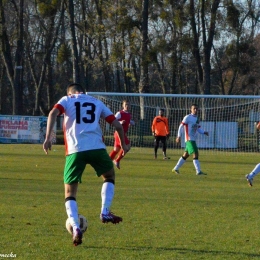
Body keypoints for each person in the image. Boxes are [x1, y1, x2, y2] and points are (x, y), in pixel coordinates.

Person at [43, 83, 128, 246]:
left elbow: (53, 112)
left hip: (75, 150)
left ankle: (75, 227)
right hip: (97, 147)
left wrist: (48, 137)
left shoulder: (67, 99)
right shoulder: (96, 101)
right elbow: (117, 124)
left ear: (70, 92)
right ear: (83, 91)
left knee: (70, 193)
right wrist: (123, 145)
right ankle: (105, 211)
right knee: (109, 176)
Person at [172, 104, 208, 175]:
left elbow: (198, 128)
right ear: (190, 109)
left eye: (196, 109)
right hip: (189, 139)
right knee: (195, 153)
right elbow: (181, 126)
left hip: (193, 139)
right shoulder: (188, 117)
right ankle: (198, 171)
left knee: (185, 155)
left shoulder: (197, 118)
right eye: (194, 108)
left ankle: (175, 169)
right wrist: (178, 136)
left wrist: (204, 132)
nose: (195, 110)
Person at [109, 100, 135, 169]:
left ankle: (107, 163)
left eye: (128, 105)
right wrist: (120, 122)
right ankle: (117, 160)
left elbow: (128, 121)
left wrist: (131, 123)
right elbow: (112, 120)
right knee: (127, 146)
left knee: (116, 149)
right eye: (126, 104)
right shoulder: (119, 113)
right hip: (119, 133)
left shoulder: (129, 114)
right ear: (123, 105)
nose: (127, 106)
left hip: (122, 133)